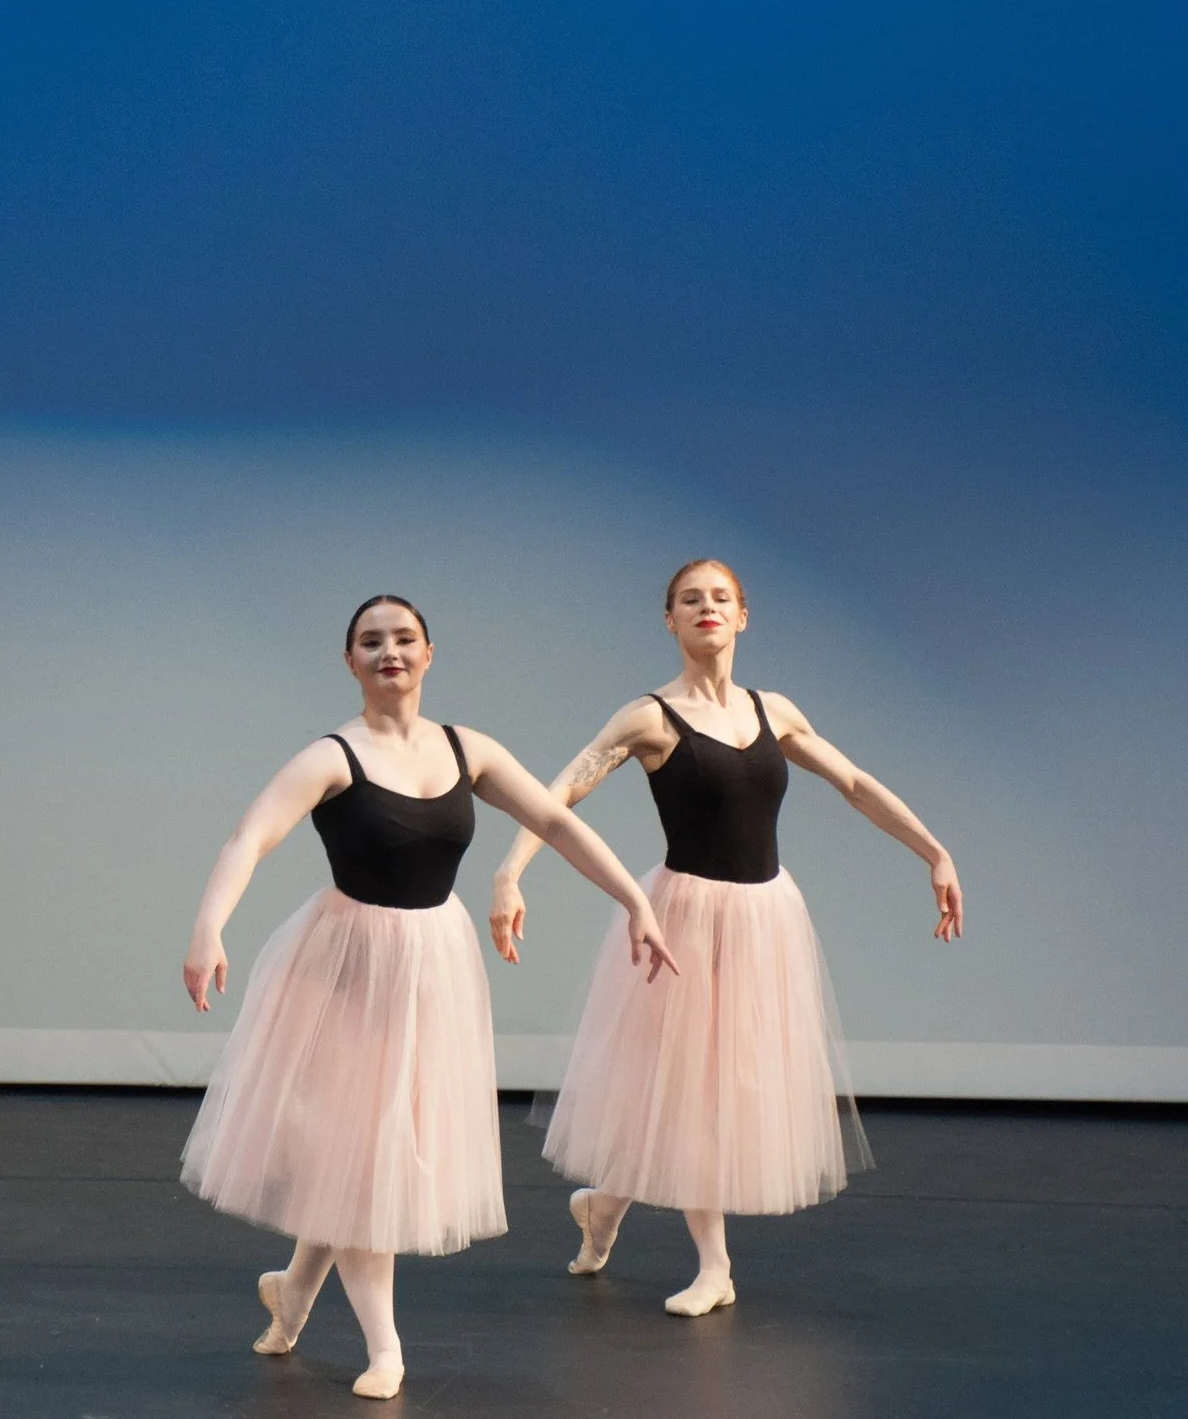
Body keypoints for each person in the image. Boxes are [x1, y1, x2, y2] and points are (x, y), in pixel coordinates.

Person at [180, 595, 673, 1400]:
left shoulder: (465, 749)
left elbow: (553, 818)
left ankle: (294, 1290)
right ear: (351, 662)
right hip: (343, 966)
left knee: (369, 1153)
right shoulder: (333, 755)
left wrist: (634, 899)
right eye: (371, 642)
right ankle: (386, 1348)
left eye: (403, 639)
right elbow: (251, 834)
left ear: (430, 653)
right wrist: (209, 925)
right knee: (370, 1155)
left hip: (431, 964)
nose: (389, 652)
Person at [490, 558, 962, 1317]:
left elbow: (855, 782)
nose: (705, 607)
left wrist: (933, 849)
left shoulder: (774, 711)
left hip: (764, 917)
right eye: (689, 599)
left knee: (716, 1085)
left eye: (720, 597)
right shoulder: (648, 717)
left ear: (743, 616)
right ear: (669, 620)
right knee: (691, 1089)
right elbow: (562, 791)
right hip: (683, 918)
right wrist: (511, 871)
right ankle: (716, 1266)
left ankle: (604, 1206)